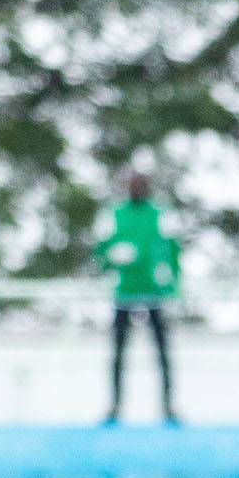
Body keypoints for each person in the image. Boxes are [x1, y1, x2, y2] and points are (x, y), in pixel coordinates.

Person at [96, 172, 181, 425]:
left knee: (163, 352)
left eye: (140, 184)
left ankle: (168, 406)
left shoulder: (161, 214)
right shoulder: (113, 215)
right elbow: (100, 252)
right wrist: (113, 256)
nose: (136, 188)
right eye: (132, 184)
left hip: (154, 294)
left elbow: (174, 250)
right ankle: (114, 407)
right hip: (123, 294)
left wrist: (173, 282)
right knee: (118, 353)